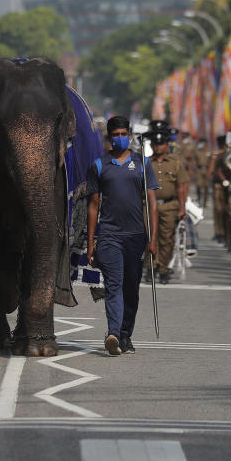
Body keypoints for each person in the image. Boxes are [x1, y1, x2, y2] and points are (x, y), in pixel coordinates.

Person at [86, 115, 159, 356]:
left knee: (131, 289)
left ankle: (126, 334)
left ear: (130, 135)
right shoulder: (99, 165)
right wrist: (91, 242)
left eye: (123, 134)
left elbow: (151, 202)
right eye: (115, 135)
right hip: (109, 236)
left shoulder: (142, 163)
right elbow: (93, 206)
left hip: (136, 236)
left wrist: (153, 238)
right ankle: (113, 333)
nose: (119, 139)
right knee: (114, 285)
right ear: (109, 138)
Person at [146, 124, 188, 285]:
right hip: (149, 205)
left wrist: (182, 207)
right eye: (155, 144)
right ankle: (150, 267)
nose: (158, 147)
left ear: (167, 145)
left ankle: (163, 268)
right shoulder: (146, 163)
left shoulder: (175, 163)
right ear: (151, 146)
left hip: (169, 205)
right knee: (149, 235)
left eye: (161, 144)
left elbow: (182, 186)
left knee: (167, 238)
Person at [209, 135, 228, 246]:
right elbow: (211, 171)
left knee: (226, 210)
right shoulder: (216, 155)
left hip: (227, 185)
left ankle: (225, 233)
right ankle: (219, 232)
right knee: (218, 209)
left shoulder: (230, 154)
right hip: (218, 185)